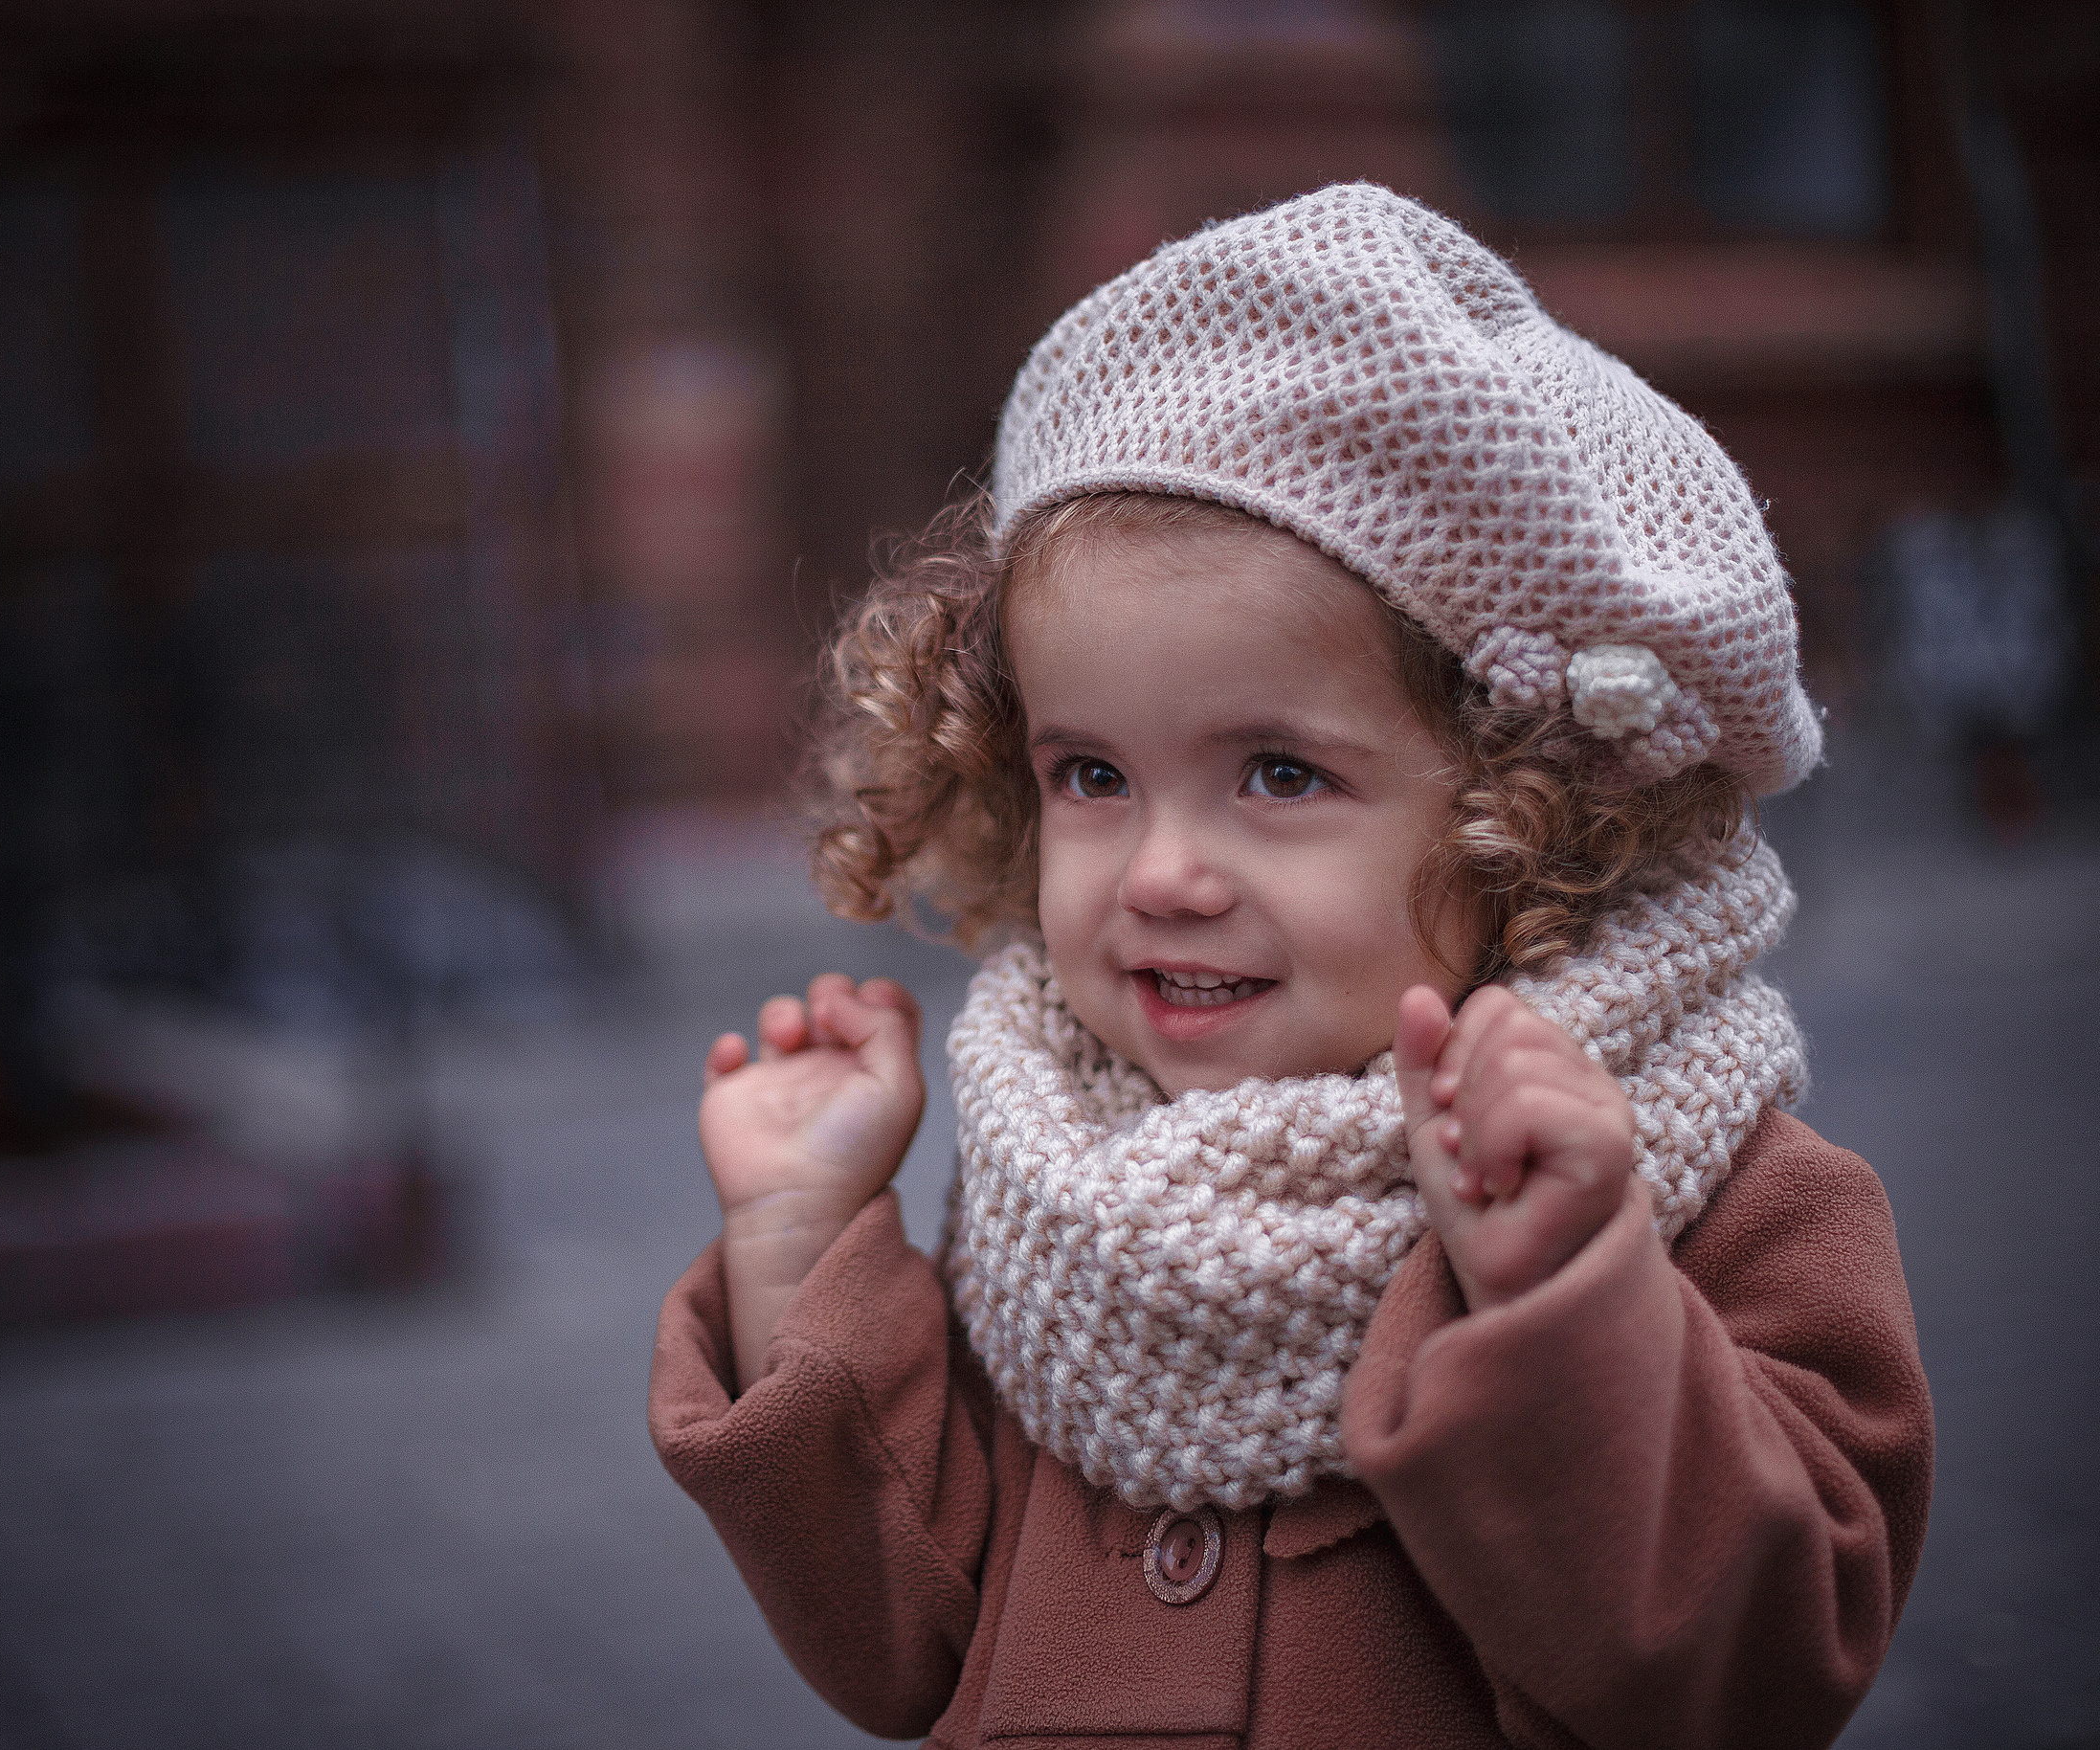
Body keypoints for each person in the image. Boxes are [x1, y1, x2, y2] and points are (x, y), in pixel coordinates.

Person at [648, 184, 1932, 1749]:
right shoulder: (1059, 1179)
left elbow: (1753, 1675)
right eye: (1093, 777)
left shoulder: (1715, 1184)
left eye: (1276, 776)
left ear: (1524, 807)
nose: (1165, 875)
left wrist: (1563, 1298)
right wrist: (798, 1244)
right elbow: (900, 1645)